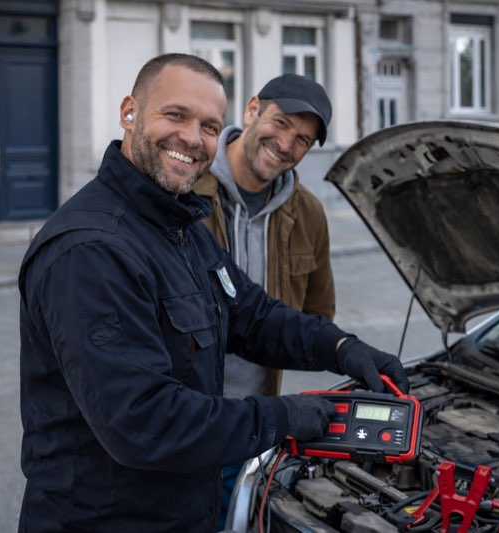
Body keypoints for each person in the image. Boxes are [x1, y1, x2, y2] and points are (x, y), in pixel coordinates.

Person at [17, 53, 409, 532]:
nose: (193, 138)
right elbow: (143, 420)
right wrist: (279, 417)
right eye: (175, 115)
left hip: (182, 507)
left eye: (208, 126)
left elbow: (252, 315)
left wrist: (343, 348)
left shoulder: (179, 225)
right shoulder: (91, 250)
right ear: (130, 112)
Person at [192, 74, 336, 527]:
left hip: (252, 427)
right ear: (252, 109)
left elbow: (316, 316)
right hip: (185, 420)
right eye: (281, 123)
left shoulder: (308, 213)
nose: (286, 144)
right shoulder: (185, 186)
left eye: (302, 140)